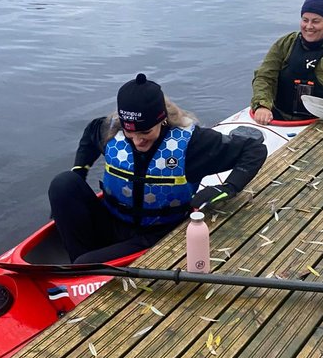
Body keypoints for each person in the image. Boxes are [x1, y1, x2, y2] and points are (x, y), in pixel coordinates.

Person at [48, 73, 267, 263]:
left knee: (85, 261)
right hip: (112, 219)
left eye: (145, 133)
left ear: (162, 120)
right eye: (131, 133)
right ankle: (80, 268)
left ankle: (82, 268)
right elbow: (90, 134)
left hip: (155, 232)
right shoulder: (111, 129)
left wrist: (227, 188)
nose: (137, 141)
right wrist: (80, 170)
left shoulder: (193, 143)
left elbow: (254, 151)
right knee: (63, 183)